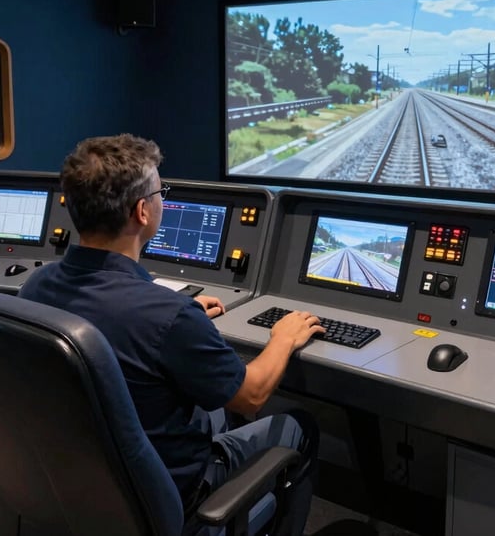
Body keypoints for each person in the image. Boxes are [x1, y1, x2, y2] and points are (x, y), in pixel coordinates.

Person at [19, 133, 325, 534]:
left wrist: (182, 320)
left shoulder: (36, 287)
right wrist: (283, 337)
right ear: (143, 211)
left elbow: (123, 328)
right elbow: (251, 396)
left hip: (78, 483)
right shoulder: (167, 315)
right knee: (300, 427)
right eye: (161, 192)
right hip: (167, 495)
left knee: (210, 404)